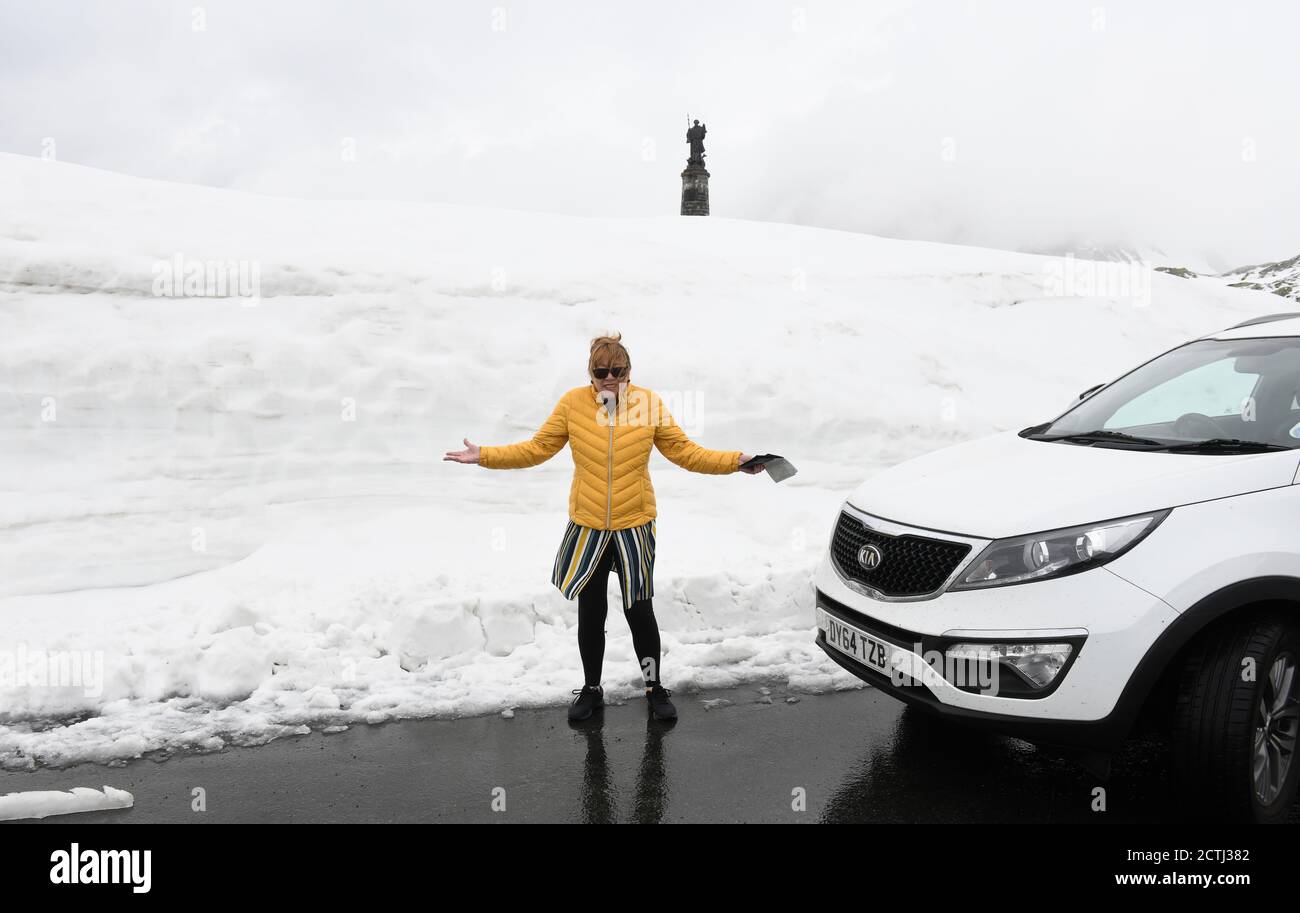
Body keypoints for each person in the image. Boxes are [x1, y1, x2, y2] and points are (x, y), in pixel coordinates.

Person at [444, 332, 766, 722]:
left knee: (639, 610)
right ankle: (592, 689)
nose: (610, 379)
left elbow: (685, 452)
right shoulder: (572, 404)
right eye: (601, 372)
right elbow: (536, 449)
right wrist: (486, 456)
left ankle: (653, 686)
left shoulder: (648, 405)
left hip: (634, 523)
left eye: (618, 371)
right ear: (590, 374)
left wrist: (737, 461)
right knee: (591, 611)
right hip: (589, 525)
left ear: (629, 371)